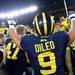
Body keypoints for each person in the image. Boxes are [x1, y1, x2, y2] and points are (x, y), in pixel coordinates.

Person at [8, 12, 75, 75]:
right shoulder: (60, 37)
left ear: (36, 27)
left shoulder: (29, 41)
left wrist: (11, 25)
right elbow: (73, 33)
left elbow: (14, 37)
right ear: (52, 25)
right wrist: (73, 18)